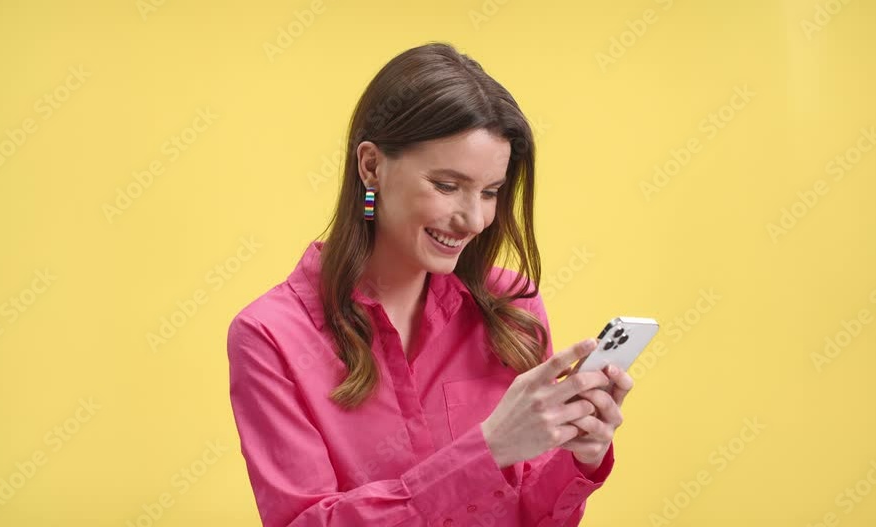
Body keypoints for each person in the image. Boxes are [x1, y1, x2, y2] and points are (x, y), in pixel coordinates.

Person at [226, 41, 634, 526]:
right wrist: (487, 452)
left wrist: (579, 454)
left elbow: (530, 515)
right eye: (446, 186)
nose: (474, 219)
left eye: (491, 192)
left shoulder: (512, 309)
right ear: (371, 166)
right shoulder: (270, 335)